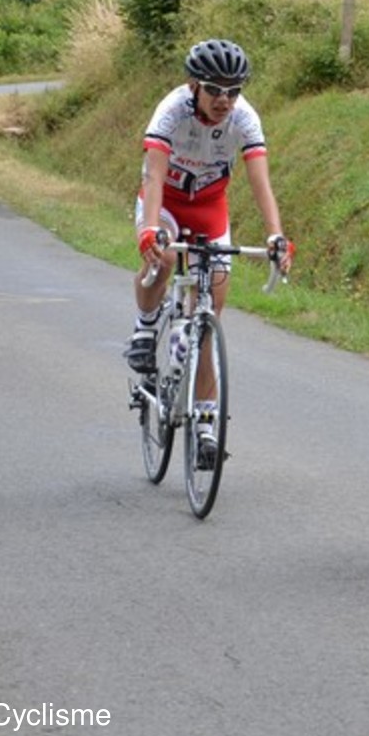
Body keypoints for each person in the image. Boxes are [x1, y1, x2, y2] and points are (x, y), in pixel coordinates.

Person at [124, 39, 293, 463]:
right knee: (163, 258)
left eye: (233, 91)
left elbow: (260, 182)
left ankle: (205, 426)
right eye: (215, 89)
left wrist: (276, 236)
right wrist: (150, 230)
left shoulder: (244, 118)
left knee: (208, 314)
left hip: (209, 208)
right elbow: (154, 175)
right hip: (165, 202)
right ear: (193, 86)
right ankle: (146, 325)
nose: (224, 100)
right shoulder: (171, 110)